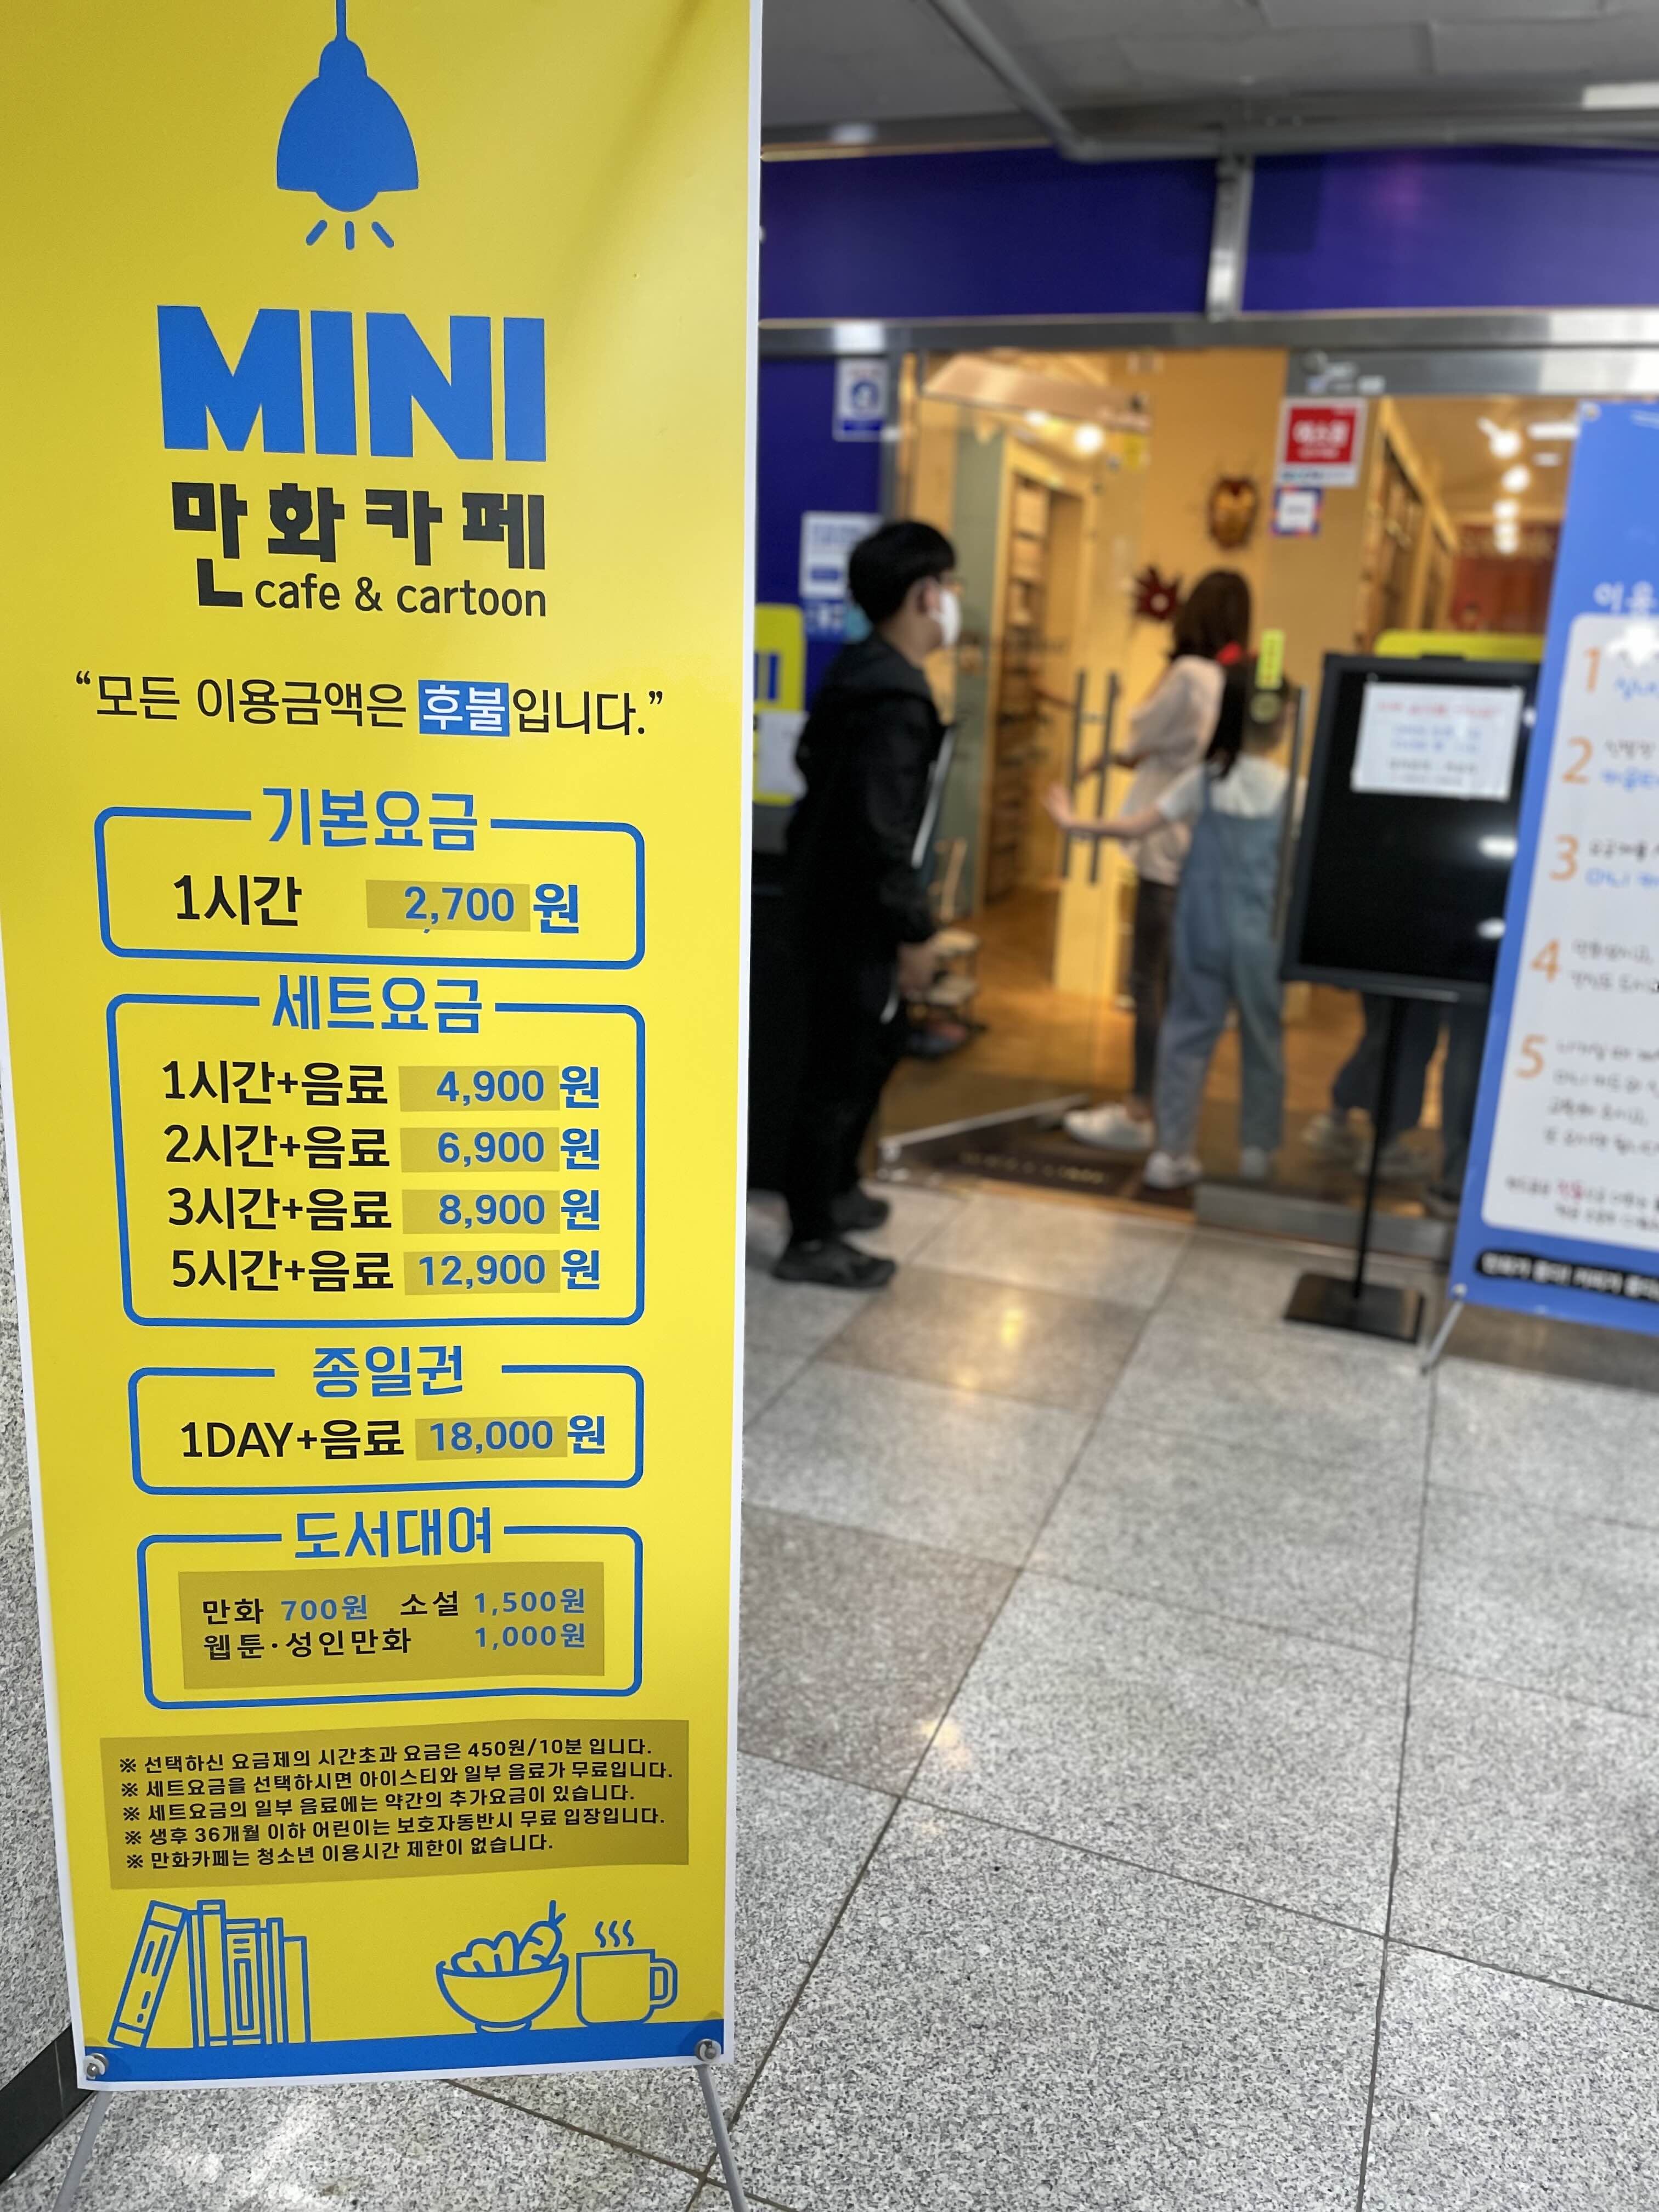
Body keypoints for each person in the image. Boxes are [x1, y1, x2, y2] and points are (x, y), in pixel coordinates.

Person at [773, 521, 956, 1289]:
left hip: (823, 900)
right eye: (947, 586)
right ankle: (811, 1235)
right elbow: (883, 832)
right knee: (840, 1068)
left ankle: (838, 1191)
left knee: (862, 1052)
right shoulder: (896, 700)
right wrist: (914, 930)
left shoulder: (858, 674)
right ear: (923, 595)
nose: (951, 603)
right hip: (857, 915)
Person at [1046, 654, 1295, 1189]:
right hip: (1261, 941)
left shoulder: (1202, 781)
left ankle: (1172, 1154)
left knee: (1186, 1038)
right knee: (1263, 1041)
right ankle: (1257, 1152)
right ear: (1280, 720)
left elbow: (1134, 825)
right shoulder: (1291, 791)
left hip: (1200, 933)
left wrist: (1071, 822)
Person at [1062, 569, 1252, 1154]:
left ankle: (1140, 1110)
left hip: (1163, 843)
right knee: (1173, 983)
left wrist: (1164, 671)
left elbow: (1139, 728)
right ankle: (1166, 1109)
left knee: (1148, 983)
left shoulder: (1189, 676)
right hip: (1196, 844)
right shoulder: (1228, 679)